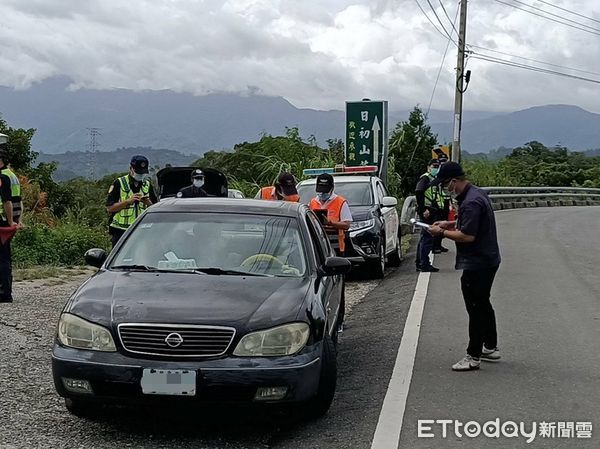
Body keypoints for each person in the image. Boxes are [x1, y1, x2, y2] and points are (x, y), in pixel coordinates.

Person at [428, 162, 502, 372]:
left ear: (454, 181)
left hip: (477, 262)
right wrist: (448, 224)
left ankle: (473, 356)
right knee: (483, 303)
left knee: (475, 308)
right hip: (488, 259)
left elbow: (467, 235)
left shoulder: (470, 202)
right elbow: (466, 224)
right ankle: (490, 346)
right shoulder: (477, 194)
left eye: (444, 183)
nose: (444, 187)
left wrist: (440, 233)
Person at [106, 155, 157, 247]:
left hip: (142, 230)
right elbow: (110, 208)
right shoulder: (119, 183)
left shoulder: (147, 185)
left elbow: (156, 207)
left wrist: (148, 203)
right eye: (138, 172)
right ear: (131, 169)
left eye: (142, 173)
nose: (140, 175)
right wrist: (128, 201)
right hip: (121, 231)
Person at [309, 173, 352, 255]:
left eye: (325, 191)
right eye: (320, 191)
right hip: (318, 246)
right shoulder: (312, 202)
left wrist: (331, 223)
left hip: (335, 246)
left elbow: (347, 225)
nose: (322, 193)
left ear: (332, 188)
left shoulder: (340, 202)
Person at [414, 159, 445, 272]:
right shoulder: (425, 178)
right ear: (428, 167)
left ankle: (420, 263)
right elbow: (418, 191)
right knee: (427, 239)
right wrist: (423, 209)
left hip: (431, 211)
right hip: (427, 212)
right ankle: (424, 264)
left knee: (424, 238)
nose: (436, 168)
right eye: (434, 166)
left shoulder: (433, 179)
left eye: (438, 166)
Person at [0, 151, 16, 303]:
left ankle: (4, 292)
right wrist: (11, 222)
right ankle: (4, 291)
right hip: (1, 222)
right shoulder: (3, 178)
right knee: (3, 258)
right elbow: (7, 202)